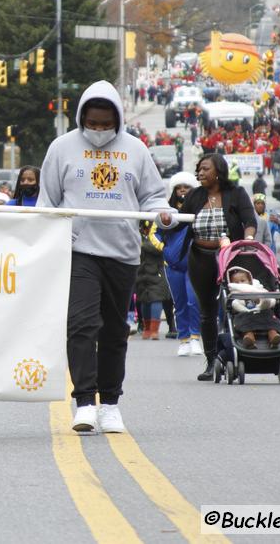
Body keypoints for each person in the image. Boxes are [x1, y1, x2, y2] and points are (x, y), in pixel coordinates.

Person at [38, 80, 175, 433]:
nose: (98, 130)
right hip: (79, 250)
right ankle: (84, 402)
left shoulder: (136, 150)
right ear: (82, 117)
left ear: (117, 119)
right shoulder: (61, 148)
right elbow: (47, 202)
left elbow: (153, 196)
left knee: (115, 330)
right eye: (92, 123)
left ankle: (110, 404)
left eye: (105, 124)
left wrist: (161, 212)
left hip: (123, 252)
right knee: (82, 325)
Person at [178, 153, 257, 381]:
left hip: (230, 257)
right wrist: (167, 219)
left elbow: (249, 221)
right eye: (199, 169)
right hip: (200, 258)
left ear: (218, 172)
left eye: (205, 169)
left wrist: (249, 240)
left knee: (235, 305)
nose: (200, 173)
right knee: (207, 313)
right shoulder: (194, 195)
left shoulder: (237, 193)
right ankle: (212, 361)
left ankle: (237, 351)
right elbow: (179, 223)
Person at [160, 172, 202, 356]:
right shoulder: (167, 211)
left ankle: (195, 337)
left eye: (186, 187)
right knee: (180, 303)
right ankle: (183, 339)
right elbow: (154, 234)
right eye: (179, 187)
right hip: (174, 266)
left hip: (195, 265)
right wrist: (166, 250)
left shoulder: (201, 208)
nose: (183, 190)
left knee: (194, 301)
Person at [227, 268, 280, 348]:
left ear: (250, 281)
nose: (240, 284)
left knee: (271, 317)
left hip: (262, 312)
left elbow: (269, 299)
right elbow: (235, 305)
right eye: (236, 282)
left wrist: (265, 301)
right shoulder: (234, 295)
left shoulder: (258, 289)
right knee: (242, 320)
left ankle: (273, 336)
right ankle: (249, 338)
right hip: (246, 314)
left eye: (242, 281)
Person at [135, 221, 171, 341]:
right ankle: (147, 328)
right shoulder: (138, 231)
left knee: (156, 298)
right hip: (141, 272)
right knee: (143, 300)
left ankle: (155, 330)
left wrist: (143, 244)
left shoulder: (157, 232)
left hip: (156, 271)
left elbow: (159, 248)